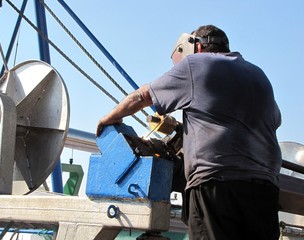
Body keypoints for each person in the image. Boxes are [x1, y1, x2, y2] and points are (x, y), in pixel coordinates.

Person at [96, 25, 282, 240]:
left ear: (197, 47)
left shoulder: (197, 64)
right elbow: (274, 121)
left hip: (217, 186)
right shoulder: (258, 74)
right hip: (265, 190)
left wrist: (111, 117)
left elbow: (144, 96)